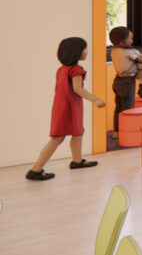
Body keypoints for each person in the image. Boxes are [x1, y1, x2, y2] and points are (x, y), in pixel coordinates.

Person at [26, 37, 105, 181]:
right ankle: (35, 169)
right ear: (75, 52)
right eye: (84, 49)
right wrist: (95, 99)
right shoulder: (76, 70)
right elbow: (78, 89)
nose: (86, 52)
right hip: (69, 106)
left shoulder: (62, 69)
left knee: (77, 132)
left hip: (63, 105)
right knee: (58, 137)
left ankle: (77, 161)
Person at [109, 26, 142, 138]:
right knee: (128, 109)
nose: (132, 41)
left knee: (118, 108)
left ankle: (117, 131)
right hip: (127, 82)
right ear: (122, 42)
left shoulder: (114, 52)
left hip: (117, 81)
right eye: (130, 39)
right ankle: (127, 133)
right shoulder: (127, 52)